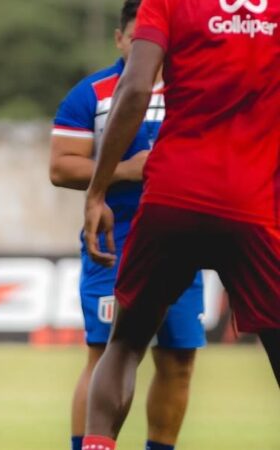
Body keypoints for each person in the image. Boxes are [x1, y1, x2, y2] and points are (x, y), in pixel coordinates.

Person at [81, 0, 280, 448]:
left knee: (126, 344)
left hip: (174, 195)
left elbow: (133, 90)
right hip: (252, 201)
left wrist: (97, 190)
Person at [49, 1, 204, 449]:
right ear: (120, 39)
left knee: (178, 360)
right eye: (139, 38)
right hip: (114, 245)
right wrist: (123, 169)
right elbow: (61, 168)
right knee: (104, 354)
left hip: (182, 243)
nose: (150, 46)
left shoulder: (193, 88)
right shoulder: (91, 95)